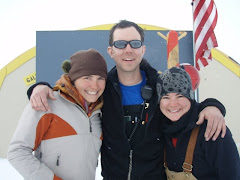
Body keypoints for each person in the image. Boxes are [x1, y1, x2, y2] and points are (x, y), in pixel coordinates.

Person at [27, 20, 226, 179]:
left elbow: (185, 106)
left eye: (135, 43)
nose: (128, 49)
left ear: (143, 49)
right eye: (120, 44)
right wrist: (40, 86)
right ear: (111, 51)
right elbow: (70, 90)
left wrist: (212, 106)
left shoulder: (160, 86)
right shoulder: (100, 89)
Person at [8, 49, 107, 180]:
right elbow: (17, 152)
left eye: (100, 78)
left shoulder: (99, 113)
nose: (94, 86)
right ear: (73, 79)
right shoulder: (47, 103)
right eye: (87, 78)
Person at [157, 67, 240, 180]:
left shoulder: (212, 128)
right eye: (166, 97)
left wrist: (213, 106)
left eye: (180, 96)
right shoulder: (159, 129)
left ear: (190, 97)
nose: (173, 104)